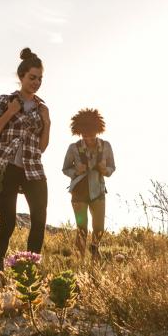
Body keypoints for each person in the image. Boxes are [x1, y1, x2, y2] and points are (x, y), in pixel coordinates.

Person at [0, 48, 50, 272]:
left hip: (33, 169)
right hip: (6, 166)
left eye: (40, 78)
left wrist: (47, 123)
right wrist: (10, 112)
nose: (36, 82)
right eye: (32, 77)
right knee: (8, 221)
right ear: (21, 77)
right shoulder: (5, 100)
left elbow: (41, 148)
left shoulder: (42, 109)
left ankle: (28, 268)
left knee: (39, 220)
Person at [62, 108, 115, 259]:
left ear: (97, 131)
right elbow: (65, 168)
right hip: (78, 192)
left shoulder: (106, 146)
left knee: (99, 227)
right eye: (85, 135)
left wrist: (106, 170)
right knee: (82, 227)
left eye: (91, 135)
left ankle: (94, 249)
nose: (89, 138)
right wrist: (76, 171)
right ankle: (79, 258)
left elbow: (113, 167)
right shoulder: (73, 148)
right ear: (79, 133)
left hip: (98, 190)